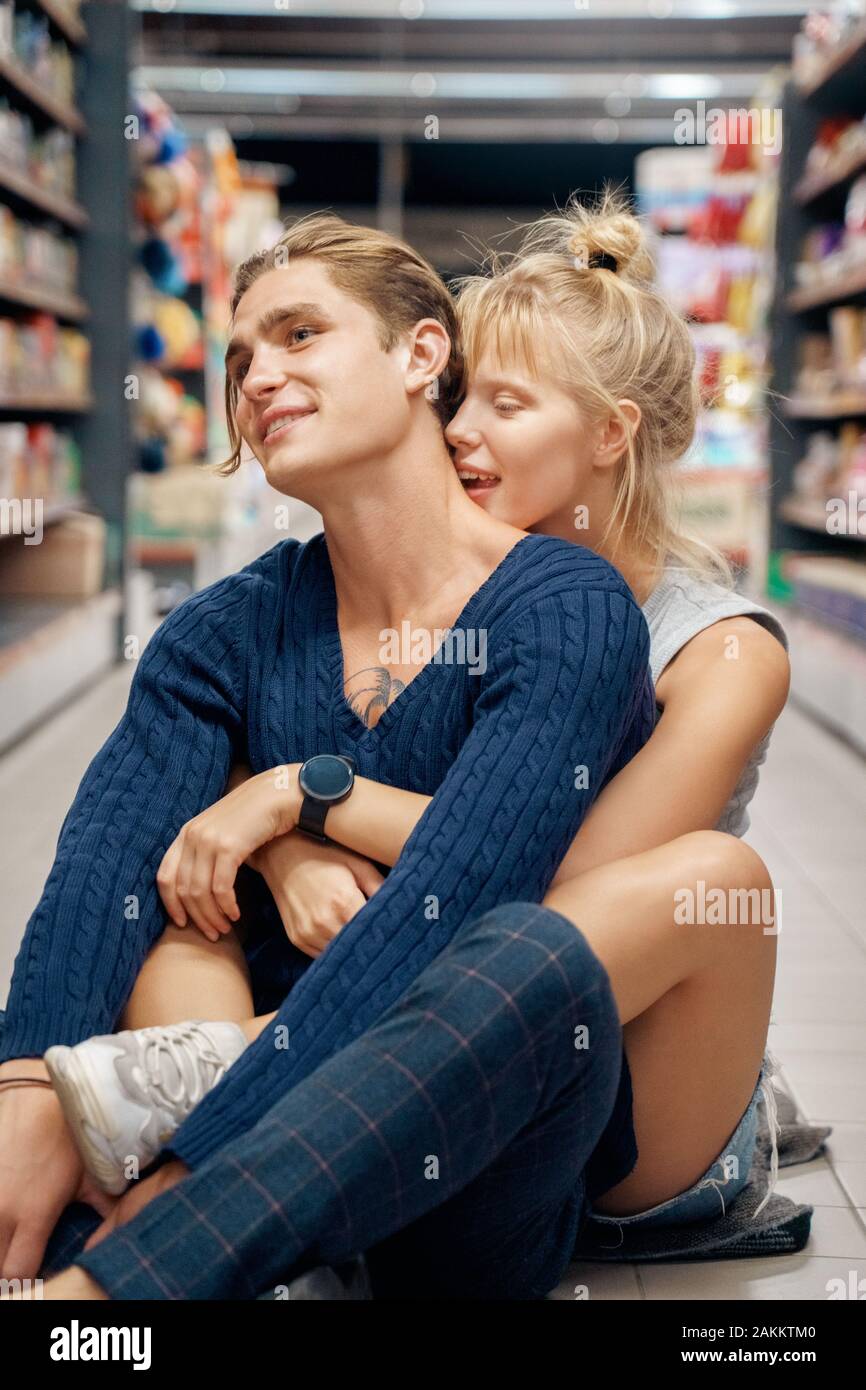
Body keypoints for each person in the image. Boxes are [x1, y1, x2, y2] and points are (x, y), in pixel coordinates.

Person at [16, 195, 787, 1301]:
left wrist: (298, 800)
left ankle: (209, 1154)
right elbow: (131, 836)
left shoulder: (691, 641)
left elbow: (535, 888)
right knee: (183, 893)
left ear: (608, 433)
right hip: (431, 1039)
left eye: (507, 405)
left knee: (690, 886)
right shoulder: (302, 610)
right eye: (467, 399)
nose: (465, 430)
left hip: (615, 1042)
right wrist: (264, 842)